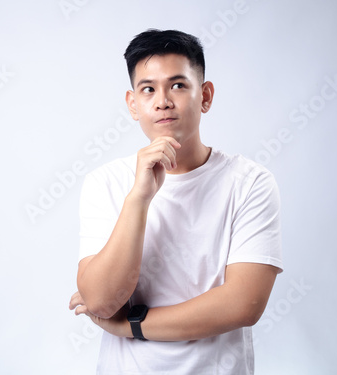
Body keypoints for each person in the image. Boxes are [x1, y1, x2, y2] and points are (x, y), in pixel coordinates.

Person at [69, 29, 283, 374]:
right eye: (148, 89)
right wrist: (139, 198)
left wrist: (131, 325)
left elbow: (244, 303)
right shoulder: (104, 182)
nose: (163, 100)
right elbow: (100, 300)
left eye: (179, 85)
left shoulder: (250, 182)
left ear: (206, 96)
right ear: (132, 104)